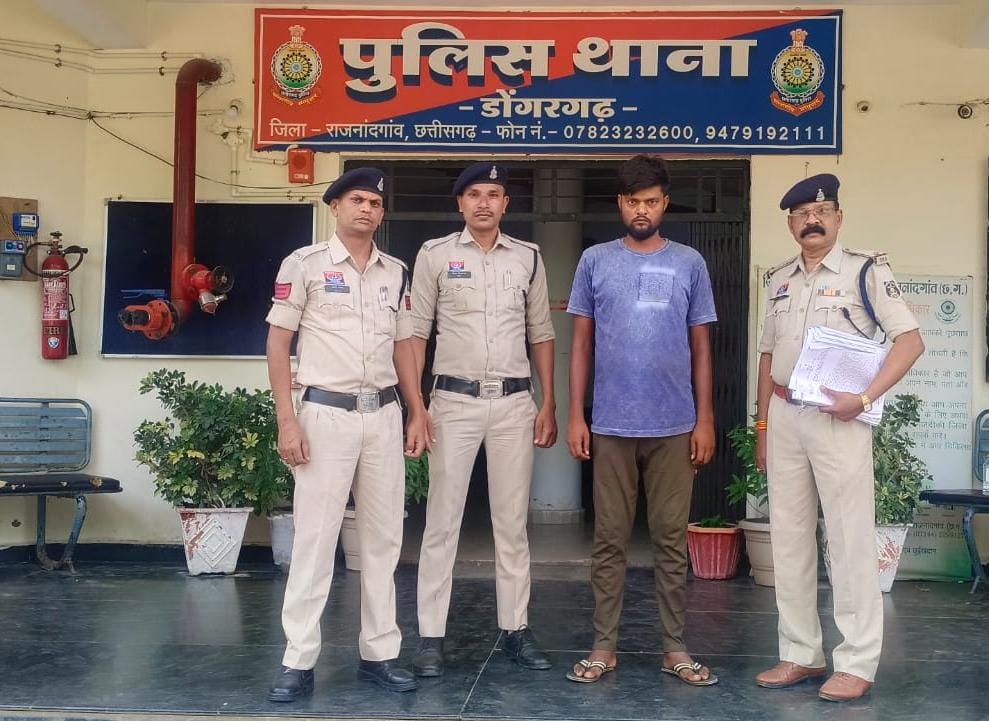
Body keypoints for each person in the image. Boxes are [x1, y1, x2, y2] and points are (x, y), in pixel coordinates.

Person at [754, 173, 924, 702]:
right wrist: (762, 426)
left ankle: (856, 661)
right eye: (802, 214)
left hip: (840, 418)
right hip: (786, 414)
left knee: (850, 539)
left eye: (822, 212)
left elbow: (910, 341)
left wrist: (866, 398)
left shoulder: (865, 270)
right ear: (790, 224)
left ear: (838, 218)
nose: (812, 221)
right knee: (788, 537)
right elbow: (767, 357)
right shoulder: (778, 279)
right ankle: (800, 652)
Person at [265, 167, 429, 702]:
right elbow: (278, 343)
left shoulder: (395, 272)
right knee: (315, 538)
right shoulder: (305, 264)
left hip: (381, 414)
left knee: (383, 539)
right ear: (335, 206)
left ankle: (380, 654)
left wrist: (417, 410)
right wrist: (286, 419)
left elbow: (403, 346)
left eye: (375, 203)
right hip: (325, 415)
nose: (367, 210)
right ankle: (298, 660)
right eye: (357, 200)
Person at [565, 154, 718, 686]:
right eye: (633, 201)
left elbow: (702, 348)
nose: (641, 210)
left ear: (665, 203)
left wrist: (704, 419)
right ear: (620, 203)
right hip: (610, 425)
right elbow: (580, 345)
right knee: (609, 540)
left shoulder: (689, 263)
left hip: (674, 425)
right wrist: (576, 415)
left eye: (651, 201)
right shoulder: (595, 261)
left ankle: (674, 647)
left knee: (671, 541)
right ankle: (603, 646)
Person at [409, 162, 557, 676]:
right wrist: (416, 406)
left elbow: (541, 333)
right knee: (441, 522)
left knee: (512, 524)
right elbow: (415, 333)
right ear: (460, 203)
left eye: (493, 194)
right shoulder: (435, 255)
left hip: (514, 403)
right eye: (474, 194)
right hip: (453, 402)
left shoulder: (528, 257)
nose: (483, 203)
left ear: (505, 204)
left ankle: (516, 629)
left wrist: (548, 403)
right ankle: (430, 637)